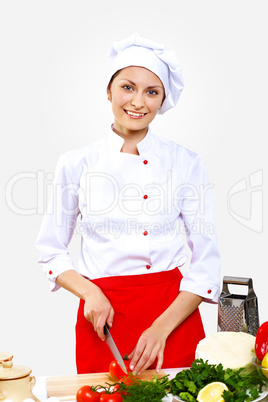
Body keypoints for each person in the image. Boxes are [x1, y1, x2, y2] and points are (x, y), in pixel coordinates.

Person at [36, 33, 221, 375]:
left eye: (152, 92)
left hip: (173, 315)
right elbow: (50, 251)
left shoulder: (186, 163)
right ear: (109, 91)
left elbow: (206, 265)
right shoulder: (76, 163)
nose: (137, 101)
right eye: (127, 87)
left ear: (163, 100)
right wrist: (89, 292)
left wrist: (161, 328)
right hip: (103, 318)